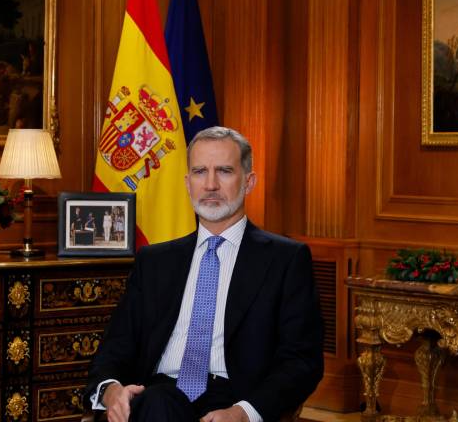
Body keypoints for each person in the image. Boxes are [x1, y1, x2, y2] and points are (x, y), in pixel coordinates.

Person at [85, 126, 324, 422]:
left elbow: (302, 361)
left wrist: (244, 413)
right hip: (157, 395)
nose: (210, 184)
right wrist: (111, 391)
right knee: (157, 402)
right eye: (200, 172)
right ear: (187, 183)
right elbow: (115, 348)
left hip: (233, 398)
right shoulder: (155, 261)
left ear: (248, 182)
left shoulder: (285, 259)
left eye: (224, 171)